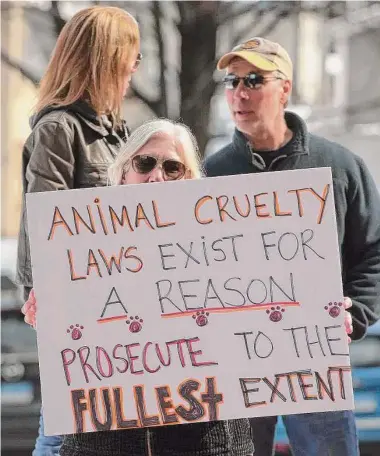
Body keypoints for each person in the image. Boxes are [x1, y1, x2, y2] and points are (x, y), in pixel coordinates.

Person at [22, 118, 255, 456]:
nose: (156, 176)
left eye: (173, 167)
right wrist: (44, 314)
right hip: (103, 440)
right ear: (122, 173)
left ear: (189, 180)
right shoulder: (75, 248)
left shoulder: (223, 250)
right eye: (145, 163)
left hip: (205, 441)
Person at [204, 36, 380, 456]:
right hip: (236, 361)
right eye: (231, 82)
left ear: (284, 88)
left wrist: (354, 313)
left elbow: (373, 251)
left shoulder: (339, 166)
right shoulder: (210, 173)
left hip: (314, 356)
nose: (239, 93)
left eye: (253, 79)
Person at [16, 5, 141, 455]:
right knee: (63, 428)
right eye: (132, 55)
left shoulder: (115, 135)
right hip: (78, 311)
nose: (134, 69)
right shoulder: (59, 129)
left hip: (114, 307)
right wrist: (46, 296)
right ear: (106, 58)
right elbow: (45, 223)